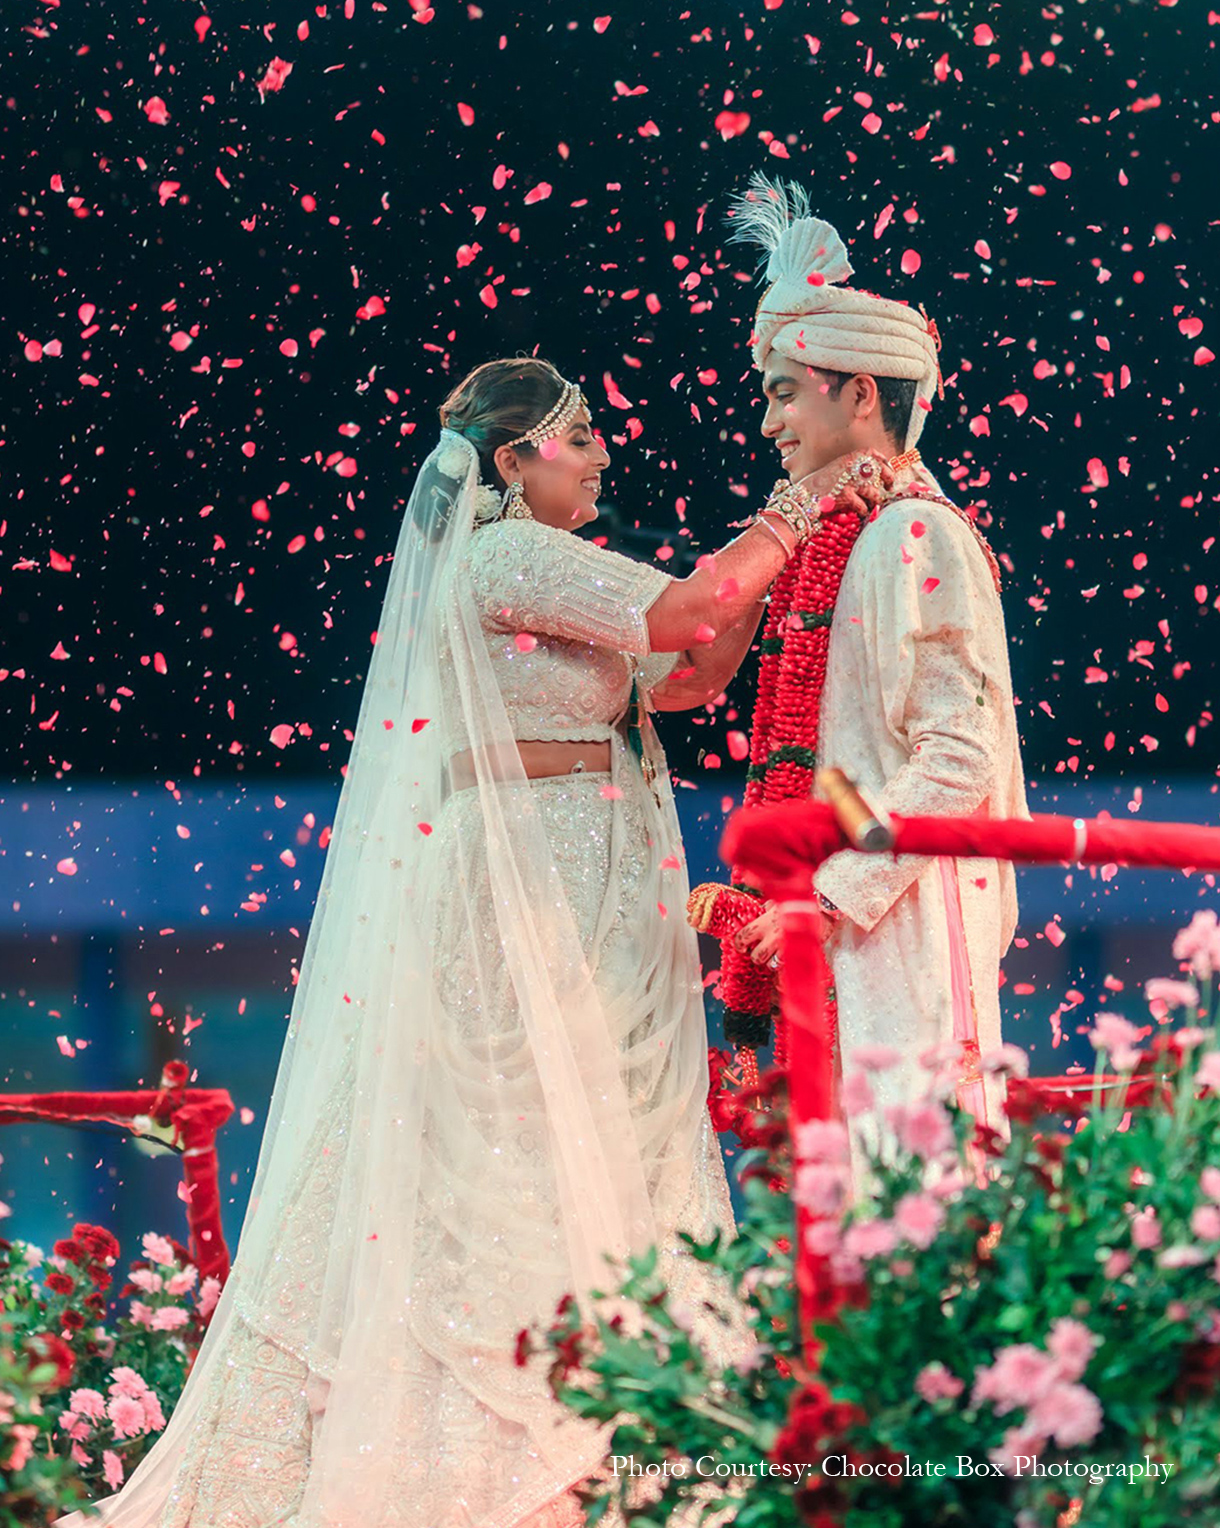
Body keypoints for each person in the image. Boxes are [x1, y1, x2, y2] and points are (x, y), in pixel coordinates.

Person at [57, 356, 875, 1528]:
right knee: (504, 1147)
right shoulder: (504, 556)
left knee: (570, 1141)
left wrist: (765, 586)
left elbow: (689, 669)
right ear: (511, 462)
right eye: (579, 436)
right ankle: (481, 1450)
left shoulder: (564, 569)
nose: (601, 453)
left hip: (584, 879)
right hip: (519, 894)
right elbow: (690, 609)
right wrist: (800, 508)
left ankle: (593, 1422)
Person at [689, 174, 1029, 1177]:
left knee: (919, 1211)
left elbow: (957, 758)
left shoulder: (915, 532)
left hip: (906, 926)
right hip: (856, 929)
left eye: (783, 393)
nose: (766, 424)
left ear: (861, 392)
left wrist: (831, 892)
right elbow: (858, 765)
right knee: (855, 1229)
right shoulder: (852, 540)